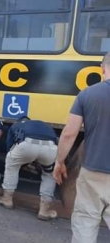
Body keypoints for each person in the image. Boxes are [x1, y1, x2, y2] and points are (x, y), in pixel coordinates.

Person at [54, 51, 110, 243]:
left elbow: (70, 133)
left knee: (85, 223)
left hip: (92, 172)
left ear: (103, 69)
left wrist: (60, 162)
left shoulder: (88, 94)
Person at [0, 116, 59, 221]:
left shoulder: (17, 125)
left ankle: (7, 199)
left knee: (12, 166)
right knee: (49, 174)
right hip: (50, 148)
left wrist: (21, 162)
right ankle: (44, 210)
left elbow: (10, 145)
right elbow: (56, 141)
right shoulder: (45, 125)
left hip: (27, 145)